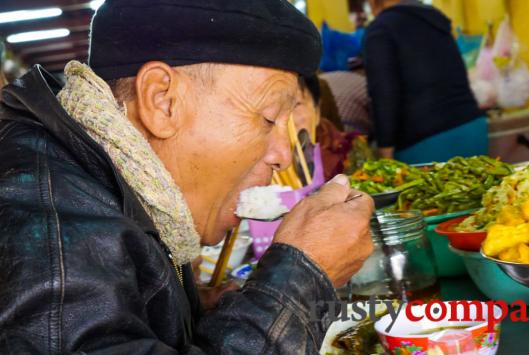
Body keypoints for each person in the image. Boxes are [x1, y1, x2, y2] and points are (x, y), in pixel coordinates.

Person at [0, 0, 375, 353]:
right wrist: (300, 280)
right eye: (269, 118)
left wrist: (191, 316)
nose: (283, 156)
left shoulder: (131, 188)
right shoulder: (47, 222)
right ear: (162, 101)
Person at [364, 0, 486, 164]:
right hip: (471, 129)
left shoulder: (380, 30)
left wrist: (385, 154)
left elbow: (384, 94)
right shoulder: (435, 19)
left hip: (426, 144)